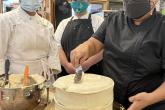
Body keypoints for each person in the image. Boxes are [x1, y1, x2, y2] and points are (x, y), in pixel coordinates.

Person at [70, 0, 165, 109]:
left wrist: (151, 98)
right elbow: (94, 43)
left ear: (154, 1)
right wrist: (85, 47)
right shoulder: (113, 19)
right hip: (109, 99)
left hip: (148, 104)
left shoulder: (162, 27)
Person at [0, 0, 61, 79]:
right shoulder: (6, 20)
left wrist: (51, 71)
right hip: (17, 76)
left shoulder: (47, 24)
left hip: (43, 75)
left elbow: (53, 52)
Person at [54, 0, 104, 77]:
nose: (79, 2)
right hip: (67, 74)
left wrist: (88, 63)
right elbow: (57, 46)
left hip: (93, 74)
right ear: (70, 1)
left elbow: (105, 47)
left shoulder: (99, 21)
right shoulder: (63, 23)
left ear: (88, 2)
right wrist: (67, 65)